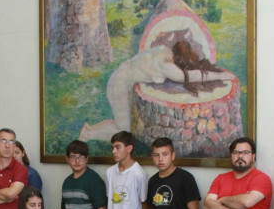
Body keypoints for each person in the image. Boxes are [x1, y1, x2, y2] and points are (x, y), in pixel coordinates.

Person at [79, 42, 235, 142]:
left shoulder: (164, 49)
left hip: (119, 79)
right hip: (118, 85)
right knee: (124, 131)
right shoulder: (166, 64)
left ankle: (89, 130)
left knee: (123, 126)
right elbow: (191, 76)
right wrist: (222, 75)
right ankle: (89, 134)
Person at [144, 137, 200, 209]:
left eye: (165, 154)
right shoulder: (152, 181)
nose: (160, 159)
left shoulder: (185, 178)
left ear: (173, 155)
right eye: (156, 155)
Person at [59, 140, 107, 209]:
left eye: (81, 157)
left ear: (87, 159)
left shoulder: (93, 180)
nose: (77, 161)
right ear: (67, 159)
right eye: (73, 157)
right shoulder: (67, 182)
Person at [105, 131, 147, 209]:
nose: (114, 151)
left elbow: (145, 205)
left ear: (129, 148)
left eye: (118, 147)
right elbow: (108, 201)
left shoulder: (139, 173)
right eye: (112, 147)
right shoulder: (110, 172)